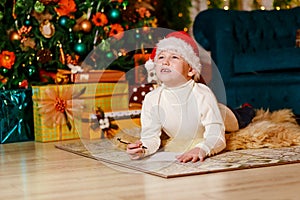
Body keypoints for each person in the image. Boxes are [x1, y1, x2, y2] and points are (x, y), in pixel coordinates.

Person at [126, 31, 254, 163]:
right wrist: (142, 148)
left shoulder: (202, 93)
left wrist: (202, 148)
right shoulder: (151, 99)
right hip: (200, 119)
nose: (165, 62)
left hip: (225, 116)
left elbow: (217, 136)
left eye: (174, 57)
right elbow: (150, 137)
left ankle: (246, 108)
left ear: (191, 70)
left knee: (243, 116)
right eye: (161, 57)